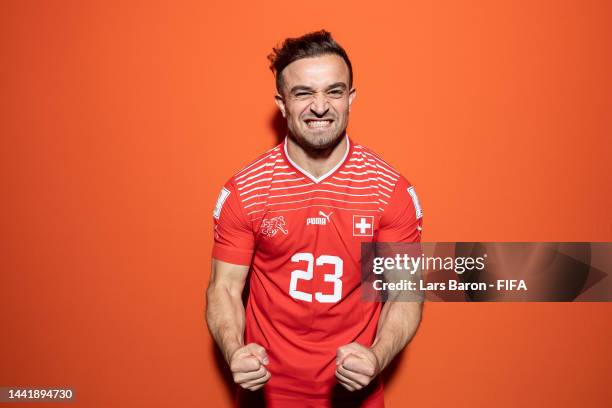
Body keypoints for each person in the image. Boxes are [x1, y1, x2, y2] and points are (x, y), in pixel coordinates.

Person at [206, 30, 423, 408]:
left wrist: (377, 356)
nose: (320, 107)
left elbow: (405, 292)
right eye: (303, 93)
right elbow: (224, 288)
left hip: (355, 395)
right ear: (282, 103)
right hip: (267, 394)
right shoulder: (247, 189)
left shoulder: (389, 190)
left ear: (351, 99)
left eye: (334, 92)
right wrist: (234, 350)